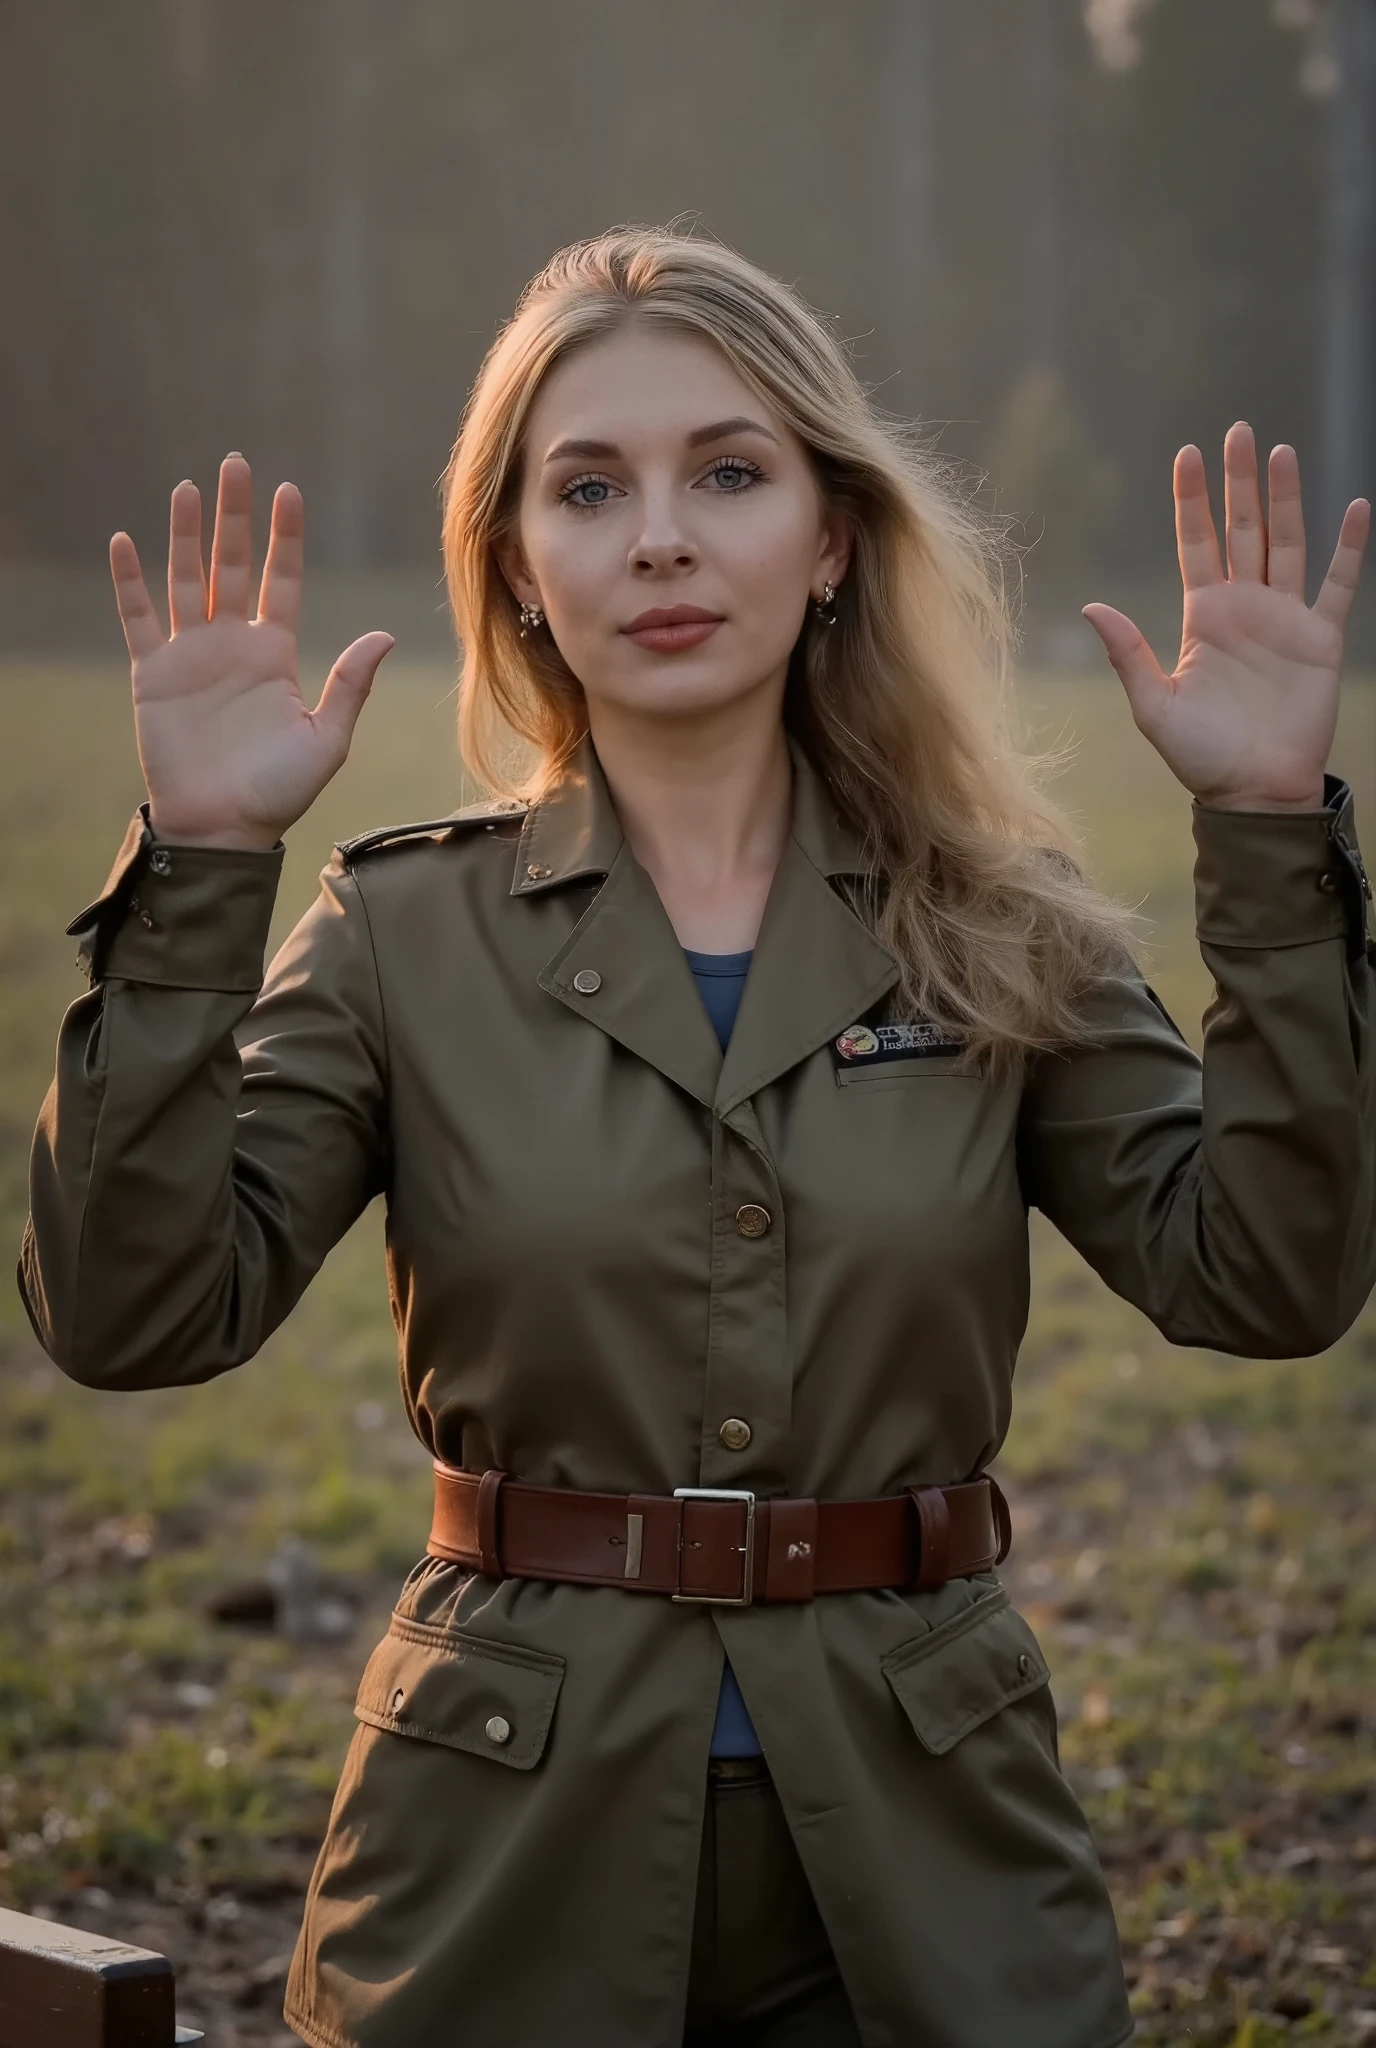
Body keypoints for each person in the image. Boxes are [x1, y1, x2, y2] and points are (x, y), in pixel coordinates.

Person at [18, 226, 1374, 2048]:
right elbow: (129, 1315)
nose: (660, 534)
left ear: (828, 540)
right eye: (590, 487)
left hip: (929, 1857)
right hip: (496, 1855)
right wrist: (194, 872)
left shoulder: (999, 922)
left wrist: (1274, 833)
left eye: (727, 473)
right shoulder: (402, 934)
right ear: (518, 567)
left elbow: (1270, 1277)